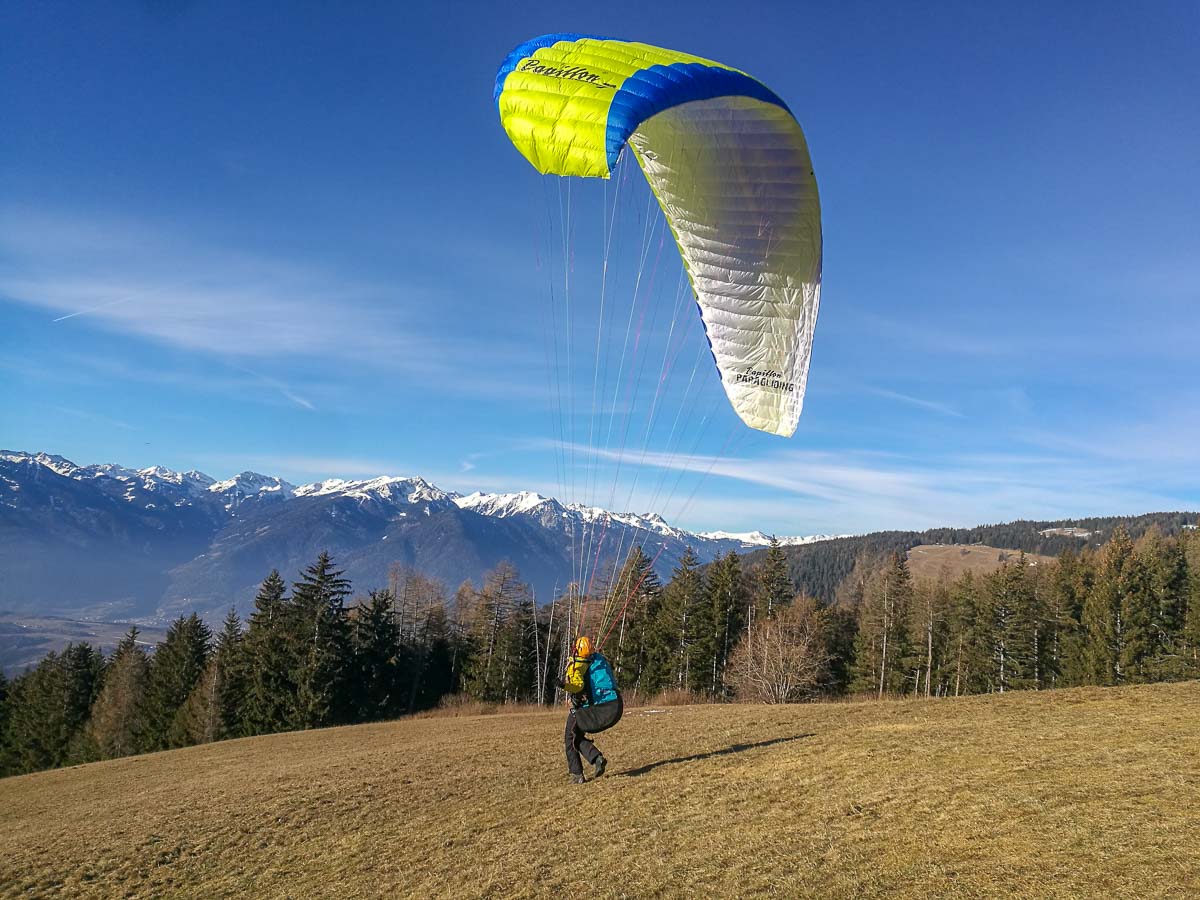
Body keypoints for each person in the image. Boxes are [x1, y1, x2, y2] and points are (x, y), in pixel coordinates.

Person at [562, 635, 622, 784]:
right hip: (616, 705)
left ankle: (577, 774)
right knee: (576, 734)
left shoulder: (580, 666)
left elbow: (578, 687)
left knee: (570, 736)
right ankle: (596, 758)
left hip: (598, 708)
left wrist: (565, 686)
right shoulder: (599, 660)